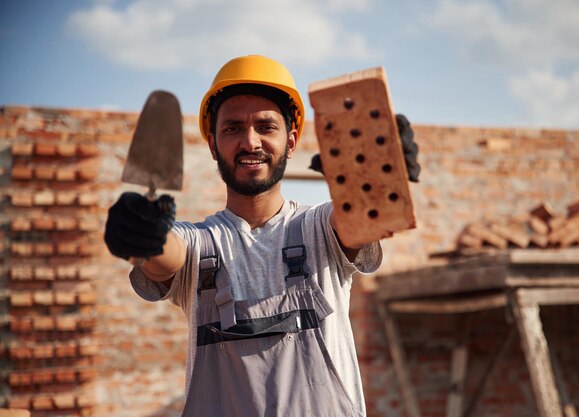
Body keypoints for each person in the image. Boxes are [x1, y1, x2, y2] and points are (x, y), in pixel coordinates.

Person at [104, 55, 420, 417]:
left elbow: (360, 221)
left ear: (292, 140)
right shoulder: (197, 245)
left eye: (266, 127)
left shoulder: (320, 230)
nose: (250, 141)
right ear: (212, 144)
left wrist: (379, 178)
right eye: (233, 128)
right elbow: (162, 257)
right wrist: (142, 235)